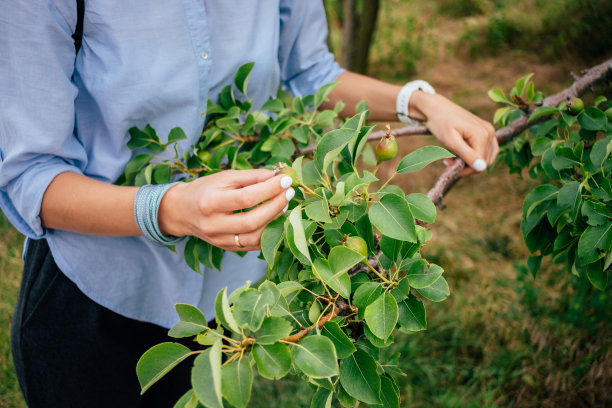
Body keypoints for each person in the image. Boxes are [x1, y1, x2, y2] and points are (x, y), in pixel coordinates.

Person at [0, 1, 498, 407]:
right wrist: (168, 208)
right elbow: (32, 175)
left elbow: (310, 74)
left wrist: (421, 102)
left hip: (223, 296)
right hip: (95, 297)